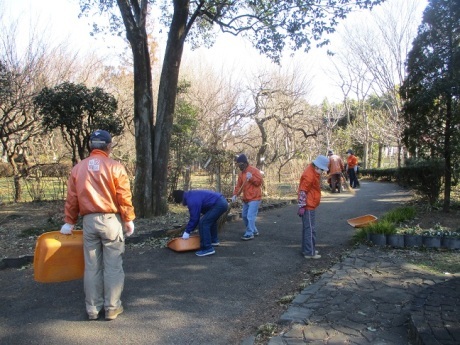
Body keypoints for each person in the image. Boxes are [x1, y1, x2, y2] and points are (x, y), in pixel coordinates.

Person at [60, 129, 135, 321]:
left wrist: (69, 221)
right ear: (108, 146)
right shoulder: (115, 167)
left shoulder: (78, 168)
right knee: (113, 266)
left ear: (91, 146)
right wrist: (128, 219)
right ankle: (112, 308)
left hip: (89, 221)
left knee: (92, 266)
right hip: (111, 220)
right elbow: (123, 196)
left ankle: (92, 309)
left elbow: (72, 199)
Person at [172, 189, 229, 257]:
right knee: (210, 221)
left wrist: (187, 231)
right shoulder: (190, 195)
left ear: (180, 199)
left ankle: (207, 248)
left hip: (219, 204)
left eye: (180, 202)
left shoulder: (191, 200)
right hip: (221, 201)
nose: (182, 204)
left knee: (203, 223)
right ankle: (214, 240)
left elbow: (195, 218)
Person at [297, 155, 329, 259]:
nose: (323, 172)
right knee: (310, 230)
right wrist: (302, 205)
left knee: (308, 229)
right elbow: (303, 191)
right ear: (317, 167)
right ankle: (309, 253)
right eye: (322, 170)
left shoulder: (312, 172)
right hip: (308, 206)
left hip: (309, 204)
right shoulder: (310, 175)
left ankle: (308, 249)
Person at [231, 154, 264, 240]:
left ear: (245, 163)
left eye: (240, 164)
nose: (239, 167)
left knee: (250, 216)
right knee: (245, 216)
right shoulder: (241, 174)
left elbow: (259, 182)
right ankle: (254, 230)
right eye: (238, 165)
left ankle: (249, 233)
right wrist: (235, 194)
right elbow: (239, 186)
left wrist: (252, 177)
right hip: (246, 198)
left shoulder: (254, 170)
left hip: (255, 197)